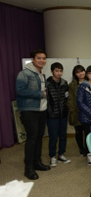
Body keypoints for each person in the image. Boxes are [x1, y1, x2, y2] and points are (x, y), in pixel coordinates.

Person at [16, 49, 51, 180]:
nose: (42, 61)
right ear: (32, 59)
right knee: (32, 138)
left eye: (44, 58)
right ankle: (28, 168)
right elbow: (20, 91)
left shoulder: (41, 74)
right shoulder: (24, 73)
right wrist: (41, 94)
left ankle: (37, 162)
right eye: (39, 58)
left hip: (41, 110)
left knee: (39, 137)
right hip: (29, 110)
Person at [46, 62, 71, 167]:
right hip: (52, 115)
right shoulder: (47, 83)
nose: (59, 73)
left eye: (61, 71)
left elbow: (67, 98)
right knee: (53, 137)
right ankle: (52, 156)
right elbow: (46, 100)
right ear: (52, 71)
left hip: (63, 114)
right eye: (57, 71)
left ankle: (61, 154)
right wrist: (49, 112)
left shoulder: (64, 83)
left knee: (63, 136)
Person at [67, 65, 87, 157]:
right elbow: (70, 100)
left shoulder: (90, 82)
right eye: (78, 72)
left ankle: (88, 149)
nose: (80, 73)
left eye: (82, 71)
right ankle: (81, 149)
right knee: (78, 132)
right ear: (75, 74)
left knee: (88, 132)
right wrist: (72, 111)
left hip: (88, 112)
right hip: (77, 112)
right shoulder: (72, 85)